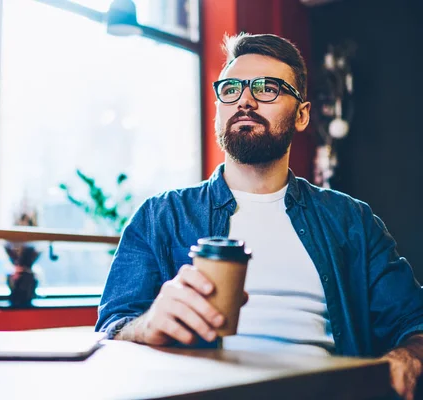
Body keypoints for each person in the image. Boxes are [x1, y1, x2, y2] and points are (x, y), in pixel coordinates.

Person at [95, 33, 423, 400]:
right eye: (231, 88)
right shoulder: (160, 217)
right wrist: (146, 326)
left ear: (301, 115)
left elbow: (414, 321)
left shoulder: (352, 221)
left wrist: (408, 357)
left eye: (267, 89)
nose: (245, 100)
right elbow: (111, 328)